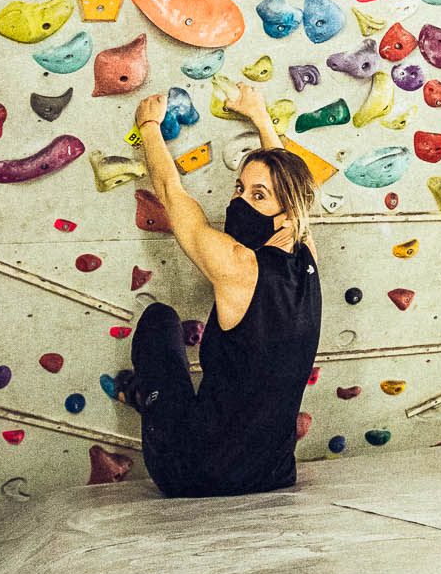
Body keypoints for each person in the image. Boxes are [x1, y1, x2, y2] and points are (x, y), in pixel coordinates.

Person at [113, 82, 323, 497]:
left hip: (193, 472)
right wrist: (260, 117)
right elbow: (295, 188)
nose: (240, 201)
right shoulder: (308, 258)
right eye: (239, 189)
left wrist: (149, 126)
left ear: (285, 216)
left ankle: (145, 397)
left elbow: (173, 196)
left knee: (159, 322)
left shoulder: (238, 265)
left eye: (257, 196)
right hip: (273, 475)